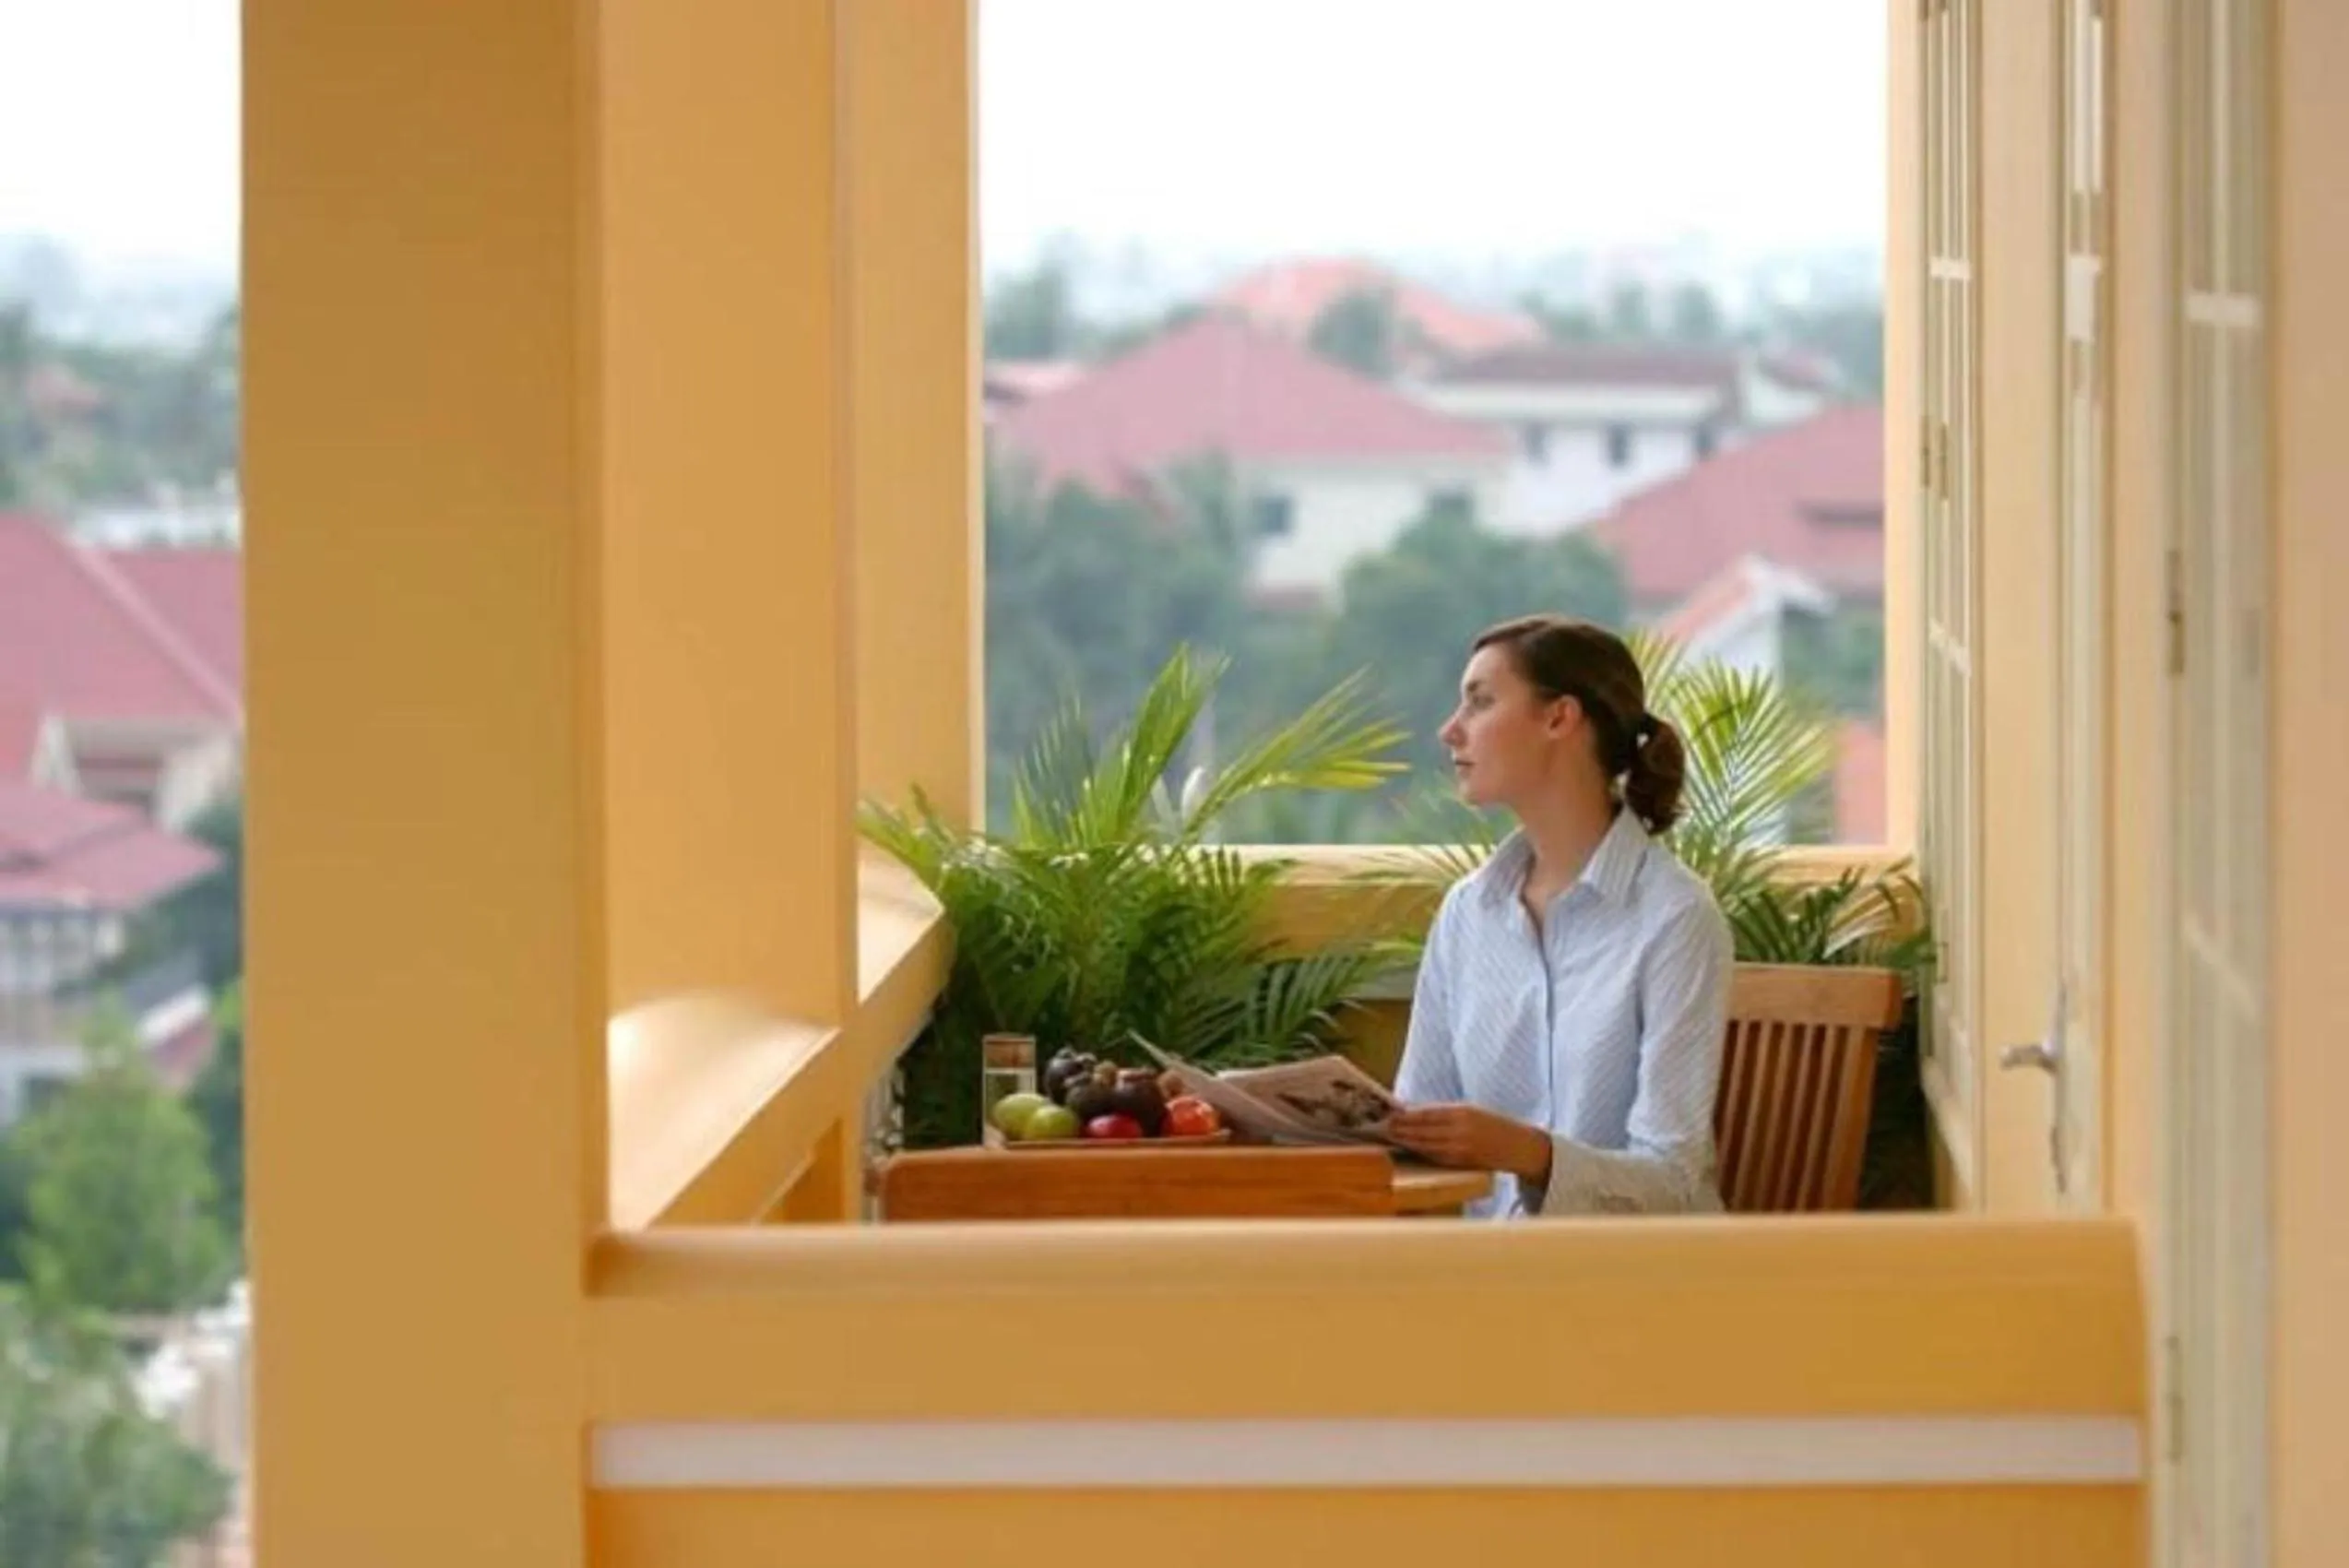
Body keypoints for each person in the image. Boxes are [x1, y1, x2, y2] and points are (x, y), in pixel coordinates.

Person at [1386, 614, 1733, 1218]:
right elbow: (1414, 1119)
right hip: (1495, 1268)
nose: (1450, 730)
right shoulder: (1467, 913)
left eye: (1480, 702)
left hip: (1635, 1270)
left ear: (1559, 718)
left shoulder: (1675, 917)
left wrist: (1529, 1154)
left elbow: (1673, 1182)